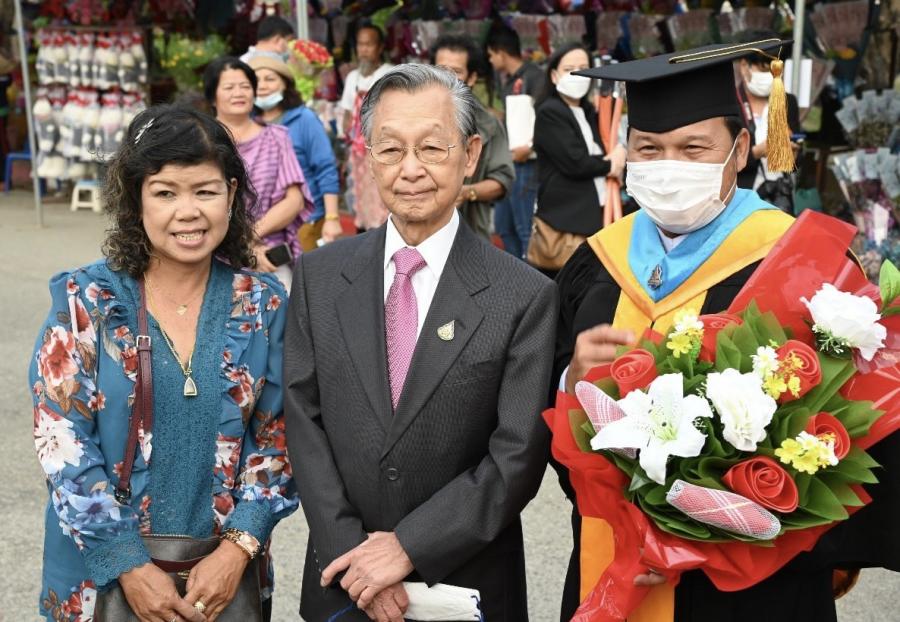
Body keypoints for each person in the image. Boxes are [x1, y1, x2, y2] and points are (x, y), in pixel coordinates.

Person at [552, 39, 900, 622]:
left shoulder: (805, 265)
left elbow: (864, 436)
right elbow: (546, 421)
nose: (669, 166)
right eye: (649, 148)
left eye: (694, 148)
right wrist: (570, 381)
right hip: (615, 564)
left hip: (753, 589)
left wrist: (731, 531)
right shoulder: (599, 262)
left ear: (739, 150)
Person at [284, 64, 558, 622]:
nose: (410, 169)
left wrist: (408, 547)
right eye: (390, 150)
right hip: (344, 579)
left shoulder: (523, 294)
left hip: (466, 579)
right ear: (369, 157)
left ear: (471, 154)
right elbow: (302, 419)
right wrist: (353, 554)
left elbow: (517, 454)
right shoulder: (320, 275)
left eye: (432, 147)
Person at [29, 105, 299, 621]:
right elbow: (60, 439)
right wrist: (129, 564)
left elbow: (280, 437)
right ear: (136, 199)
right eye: (166, 193)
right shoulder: (87, 302)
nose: (188, 211)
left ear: (232, 195)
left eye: (205, 191)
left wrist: (237, 548)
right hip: (101, 582)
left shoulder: (262, 304)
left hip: (223, 584)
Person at [204, 56, 313, 290]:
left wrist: (250, 236)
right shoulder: (201, 142)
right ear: (213, 96)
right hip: (214, 255)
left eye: (245, 86)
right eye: (229, 87)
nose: (239, 93)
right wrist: (241, 247)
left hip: (270, 255)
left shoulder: (277, 137)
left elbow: (294, 200)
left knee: (281, 306)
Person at [531, 43, 626, 279]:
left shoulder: (589, 111)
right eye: (569, 69)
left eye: (583, 68)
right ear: (554, 75)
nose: (576, 75)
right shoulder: (550, 112)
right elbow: (575, 162)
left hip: (597, 211)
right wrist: (610, 165)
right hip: (567, 218)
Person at [249, 55, 343, 250]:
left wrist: (332, 218)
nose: (262, 86)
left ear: (285, 84)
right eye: (256, 81)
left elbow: (325, 168)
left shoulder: (304, 119)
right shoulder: (248, 122)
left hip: (305, 221)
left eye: (270, 79)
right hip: (260, 227)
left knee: (304, 270)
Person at [432, 34, 515, 241]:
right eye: (441, 70)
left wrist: (466, 192)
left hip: (470, 233)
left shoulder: (488, 125)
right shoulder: (410, 117)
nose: (447, 78)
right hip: (417, 232)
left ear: (471, 78)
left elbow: (502, 180)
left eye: (456, 72)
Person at [486, 26, 546, 259]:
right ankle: (516, 273)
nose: (490, 61)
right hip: (511, 161)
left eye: (491, 55)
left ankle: (530, 276)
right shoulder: (510, 81)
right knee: (504, 228)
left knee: (524, 229)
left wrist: (530, 148)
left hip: (528, 163)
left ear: (501, 52)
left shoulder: (535, 76)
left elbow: (545, 117)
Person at [734, 30, 801, 203]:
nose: (771, 75)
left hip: (780, 197)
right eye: (764, 68)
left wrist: (792, 153)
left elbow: (795, 161)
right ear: (744, 66)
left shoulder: (788, 102)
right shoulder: (729, 104)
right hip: (739, 198)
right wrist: (756, 152)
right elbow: (720, 162)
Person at [340, 21, 393, 231]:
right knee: (361, 202)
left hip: (382, 150)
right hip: (358, 154)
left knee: (382, 202)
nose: (363, 50)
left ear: (380, 48)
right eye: (360, 45)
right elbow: (346, 114)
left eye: (369, 44)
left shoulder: (390, 74)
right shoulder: (352, 77)